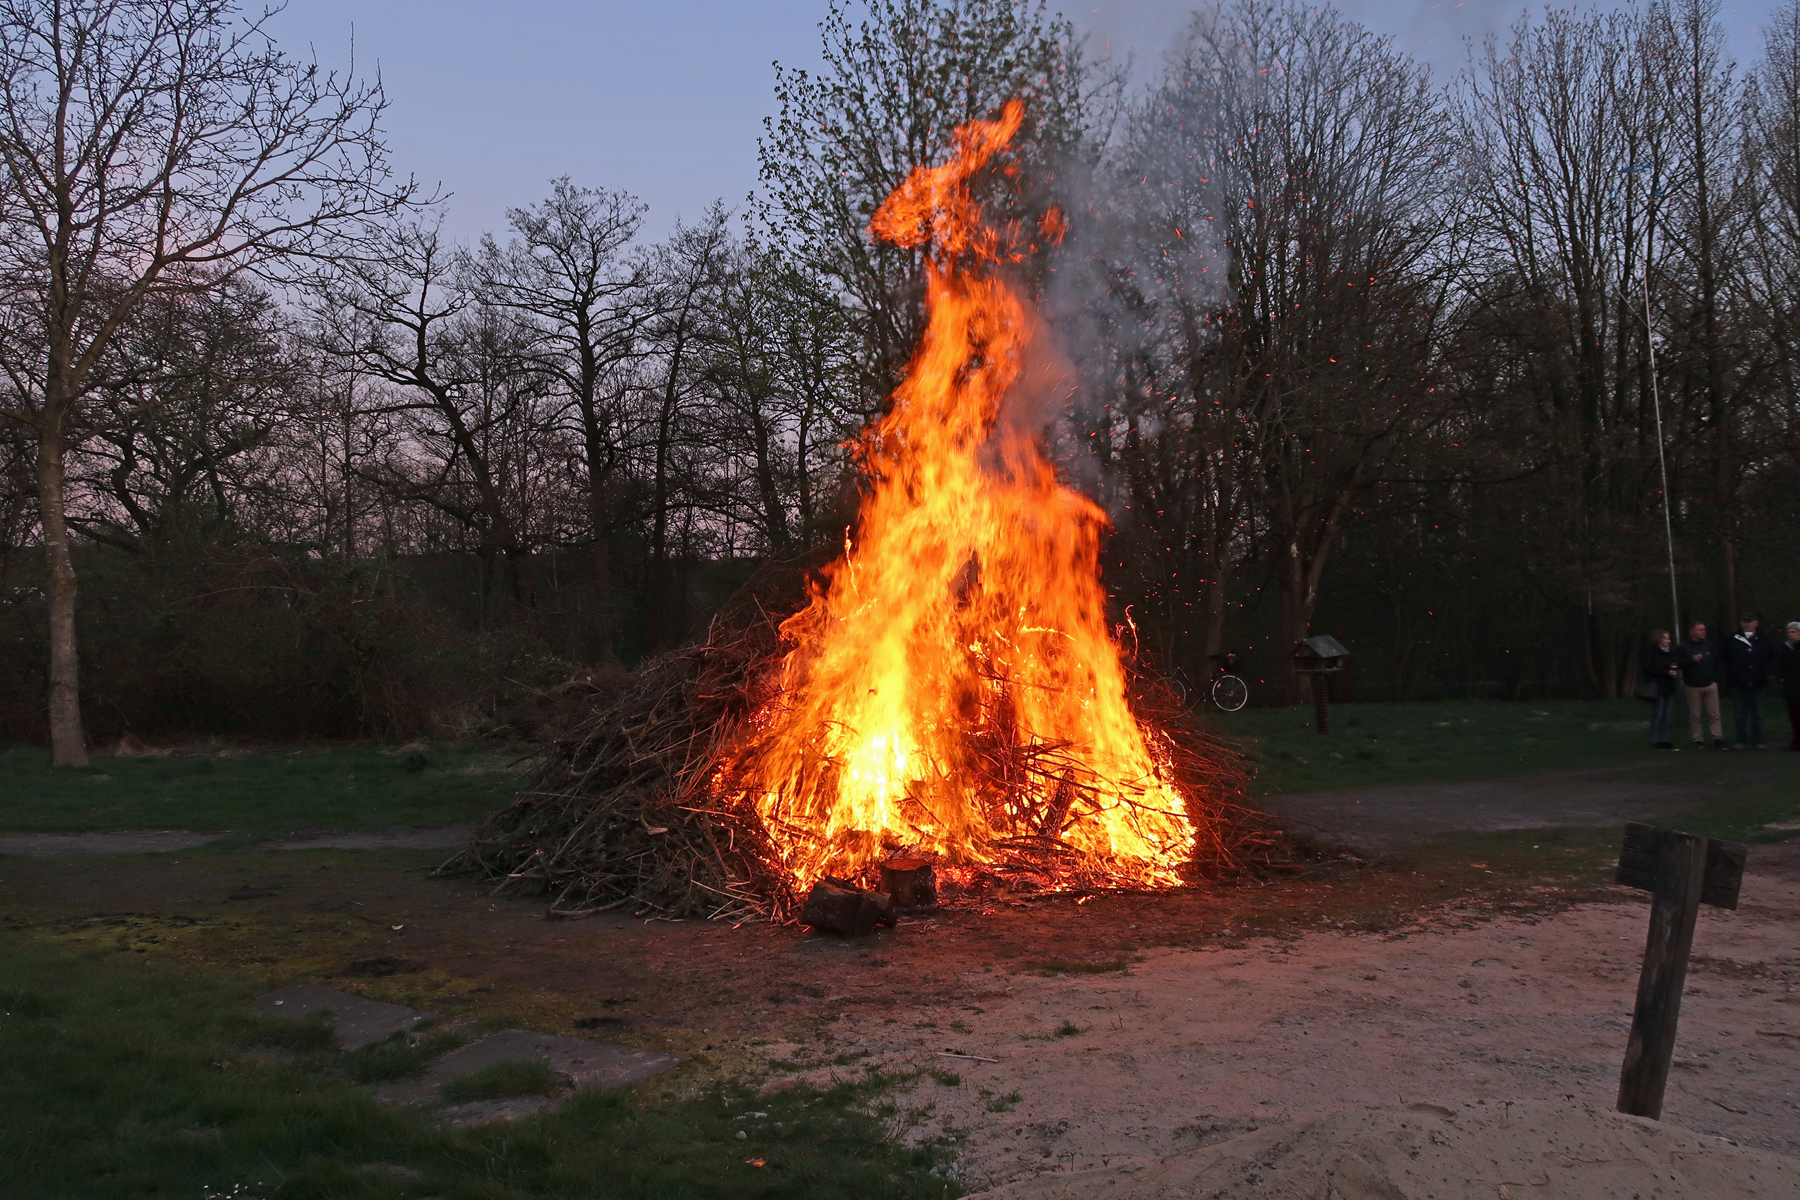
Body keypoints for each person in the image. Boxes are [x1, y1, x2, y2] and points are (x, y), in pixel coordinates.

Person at [1721, 611, 1775, 750]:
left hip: (1758, 681)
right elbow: (1724, 657)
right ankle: (1740, 740)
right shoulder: (1732, 639)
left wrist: (1765, 672)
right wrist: (1733, 671)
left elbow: (1771, 658)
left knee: (1757, 713)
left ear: (1756, 623)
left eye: (1749, 621)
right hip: (1738, 682)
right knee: (1740, 713)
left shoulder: (1764, 639)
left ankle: (1758, 740)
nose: (1747, 624)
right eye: (1744, 621)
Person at [1678, 620, 1724, 749]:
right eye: (1700, 629)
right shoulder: (1684, 647)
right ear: (1691, 632)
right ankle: (1698, 739)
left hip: (1710, 684)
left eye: (1704, 629)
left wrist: (1715, 679)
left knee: (1714, 713)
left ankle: (1717, 737)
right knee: (1695, 715)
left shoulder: (1709, 646)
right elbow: (1679, 664)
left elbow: (1717, 662)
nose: (1703, 632)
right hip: (1693, 686)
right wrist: (1691, 660)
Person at [1640, 629, 1682, 750]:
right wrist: (1666, 672)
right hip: (1657, 687)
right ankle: (1655, 741)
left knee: (1666, 716)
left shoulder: (1671, 653)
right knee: (1657, 714)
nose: (1669, 641)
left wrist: (1675, 672)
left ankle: (1663, 739)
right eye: (1666, 638)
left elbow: (1674, 665)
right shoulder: (1651, 653)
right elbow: (1648, 669)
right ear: (1658, 639)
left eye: (1668, 638)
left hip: (1669, 687)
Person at [1779, 621, 1800, 752]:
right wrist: (1781, 677)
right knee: (1794, 716)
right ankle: (1796, 741)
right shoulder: (1785, 648)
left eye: (1794, 632)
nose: (1791, 635)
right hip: (1790, 688)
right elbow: (1781, 665)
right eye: (1789, 632)